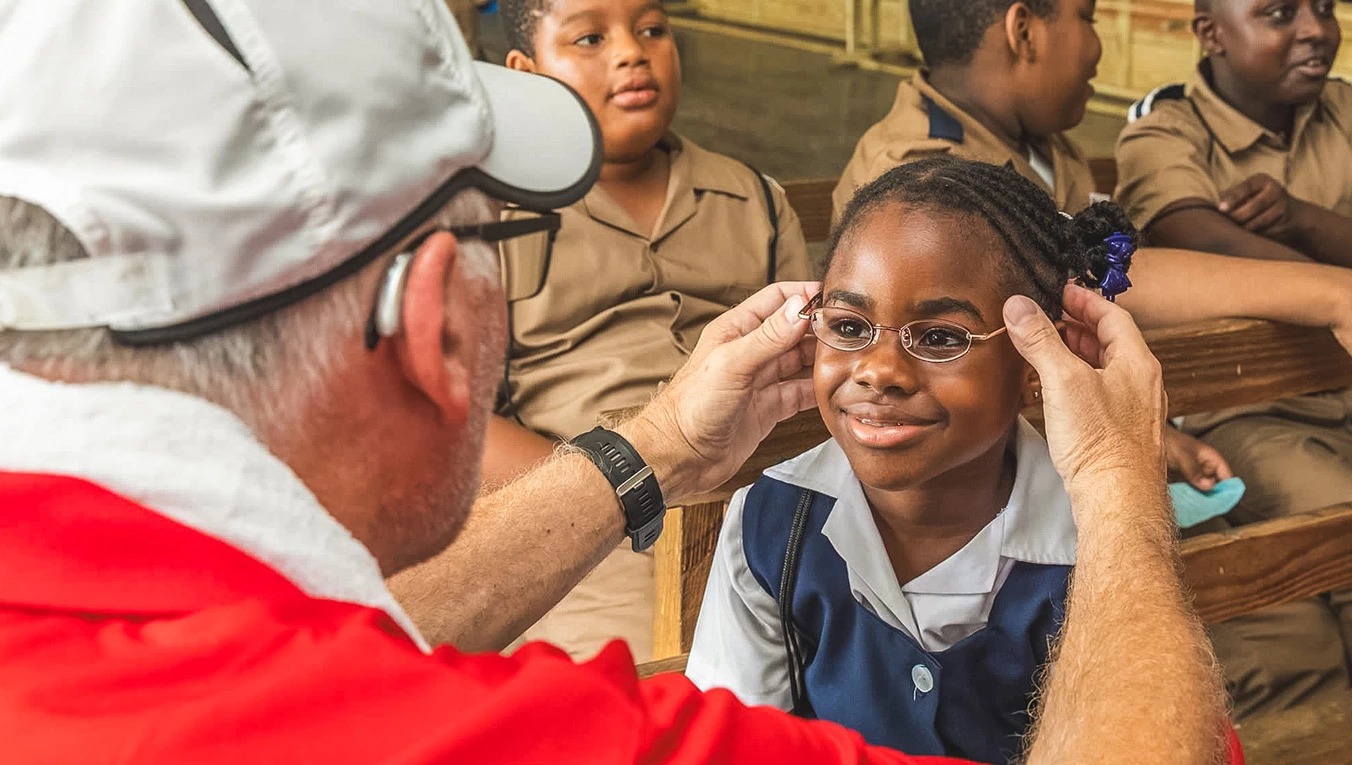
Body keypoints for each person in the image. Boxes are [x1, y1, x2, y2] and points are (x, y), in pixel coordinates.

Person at [0, 1, 1224, 762]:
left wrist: (656, 450)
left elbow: (336, 642)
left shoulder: (125, 646)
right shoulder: (486, 732)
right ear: (435, 328)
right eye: (499, 233)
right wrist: (1116, 480)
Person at [687, 158, 1154, 763]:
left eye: (940, 337)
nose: (878, 371)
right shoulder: (772, 525)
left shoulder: (1102, 540)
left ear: (1039, 363)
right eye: (850, 326)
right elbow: (737, 744)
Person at [459, 0, 811, 663]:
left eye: (652, 29)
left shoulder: (753, 199)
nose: (631, 52)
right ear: (525, 72)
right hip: (585, 534)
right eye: (590, 37)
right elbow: (459, 428)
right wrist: (613, 491)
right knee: (630, 699)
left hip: (758, 516)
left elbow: (807, 373)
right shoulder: (490, 215)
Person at [1114, 0, 1352, 720]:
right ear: (1211, 33)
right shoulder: (1166, 125)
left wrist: (1302, 219)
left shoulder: (1344, 107)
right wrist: (1331, 283)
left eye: (1323, 6)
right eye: (1278, 13)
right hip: (1258, 412)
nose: (1314, 28)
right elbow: (1198, 239)